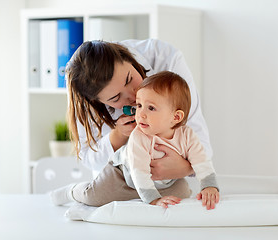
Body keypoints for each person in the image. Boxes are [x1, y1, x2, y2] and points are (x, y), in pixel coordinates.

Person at [57, 39, 213, 206]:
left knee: (181, 193)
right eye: (115, 98)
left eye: (129, 79)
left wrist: (185, 168)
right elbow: (89, 157)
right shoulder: (83, 90)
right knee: (97, 198)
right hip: (119, 175)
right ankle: (72, 192)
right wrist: (117, 136)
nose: (133, 96)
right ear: (96, 101)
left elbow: (201, 145)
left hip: (164, 178)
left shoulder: (166, 59)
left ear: (128, 58)